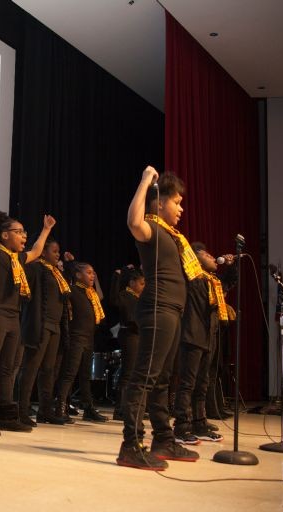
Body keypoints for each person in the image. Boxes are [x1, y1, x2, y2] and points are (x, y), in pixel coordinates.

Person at [116, 166, 199, 471]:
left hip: (173, 311)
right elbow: (132, 221)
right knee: (145, 377)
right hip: (158, 309)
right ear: (160, 202)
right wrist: (144, 182)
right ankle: (130, 445)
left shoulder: (172, 236)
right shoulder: (150, 229)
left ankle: (163, 439)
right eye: (176, 202)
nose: (181, 208)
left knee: (163, 379)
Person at [0, 195, 55, 437]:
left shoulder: (19, 259)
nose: (24, 236)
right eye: (19, 232)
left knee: (8, 369)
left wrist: (46, 229)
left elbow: (37, 251)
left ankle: (6, 418)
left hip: (14, 316)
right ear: (5, 236)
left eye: (25, 232)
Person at [172, 242, 237, 445]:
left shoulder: (213, 282)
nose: (212, 256)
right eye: (206, 255)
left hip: (209, 336)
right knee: (188, 384)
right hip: (192, 335)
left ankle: (199, 424)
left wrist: (232, 265)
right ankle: (182, 426)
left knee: (203, 384)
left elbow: (229, 282)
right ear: (195, 259)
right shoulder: (192, 279)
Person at [18, 238, 71, 426]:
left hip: (55, 326)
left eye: (58, 251)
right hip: (41, 324)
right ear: (43, 252)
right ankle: (21, 410)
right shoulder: (37, 268)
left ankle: (45, 411)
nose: (58, 254)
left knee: (49, 370)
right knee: (31, 367)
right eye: (54, 251)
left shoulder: (56, 273)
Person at [54, 261, 108, 424]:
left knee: (85, 375)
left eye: (93, 273)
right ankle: (60, 407)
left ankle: (88, 408)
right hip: (76, 338)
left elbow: (100, 296)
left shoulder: (90, 293)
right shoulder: (73, 291)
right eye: (89, 273)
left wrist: (96, 280)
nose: (93, 275)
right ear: (78, 275)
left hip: (88, 338)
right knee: (69, 374)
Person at [112, 266, 145, 421]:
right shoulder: (125, 295)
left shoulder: (139, 299)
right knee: (128, 372)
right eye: (141, 284)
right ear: (132, 283)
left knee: (135, 373)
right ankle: (120, 408)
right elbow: (114, 301)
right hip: (129, 335)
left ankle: (132, 407)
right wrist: (117, 277)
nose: (143, 287)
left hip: (138, 336)